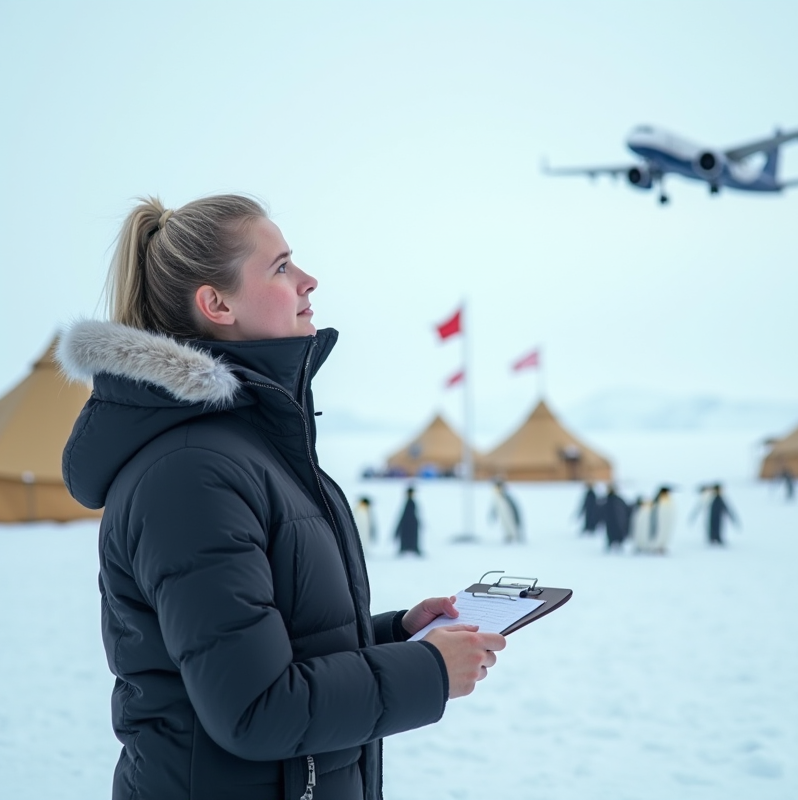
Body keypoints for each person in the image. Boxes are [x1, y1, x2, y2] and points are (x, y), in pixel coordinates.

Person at [56, 195, 504, 800]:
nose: (308, 280)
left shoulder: (244, 448)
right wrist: (427, 672)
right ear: (216, 303)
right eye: (282, 266)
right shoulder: (191, 472)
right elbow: (257, 707)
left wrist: (399, 635)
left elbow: (272, 645)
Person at [639, 486, 677, 555]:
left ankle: (662, 545)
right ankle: (655, 545)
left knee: (666, 527)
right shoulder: (657, 503)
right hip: (655, 535)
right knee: (660, 527)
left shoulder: (667, 502)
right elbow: (653, 519)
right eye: (666, 492)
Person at [601, 484, 631, 553]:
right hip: (612, 522)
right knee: (612, 534)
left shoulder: (615, 500)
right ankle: (614, 544)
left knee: (615, 533)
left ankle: (617, 544)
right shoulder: (610, 500)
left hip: (616, 522)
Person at [394, 485, 422, 556]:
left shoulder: (411, 503)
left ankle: (411, 547)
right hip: (409, 524)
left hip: (409, 524)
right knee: (408, 535)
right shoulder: (409, 503)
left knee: (411, 535)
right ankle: (407, 547)